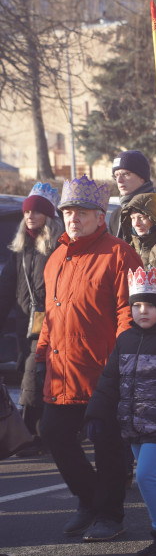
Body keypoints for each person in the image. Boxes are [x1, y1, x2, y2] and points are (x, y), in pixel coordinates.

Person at [38, 176, 145, 541]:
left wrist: (122, 362)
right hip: (61, 370)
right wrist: (40, 355)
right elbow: (50, 314)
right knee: (53, 433)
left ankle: (110, 515)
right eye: (68, 211)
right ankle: (88, 499)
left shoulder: (119, 253)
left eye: (82, 212)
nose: (73, 218)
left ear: (101, 217)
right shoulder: (56, 258)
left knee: (109, 446)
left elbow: (127, 313)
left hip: (104, 370)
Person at [84, 268, 156, 556]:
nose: (143, 311)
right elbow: (109, 380)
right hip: (132, 424)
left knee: (146, 476)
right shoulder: (126, 338)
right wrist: (96, 413)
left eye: (150, 305)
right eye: (137, 306)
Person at [0, 183, 62, 457]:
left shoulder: (58, 247)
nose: (29, 216)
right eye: (27, 212)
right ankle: (38, 434)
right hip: (27, 324)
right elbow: (6, 291)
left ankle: (31, 436)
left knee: (35, 376)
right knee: (34, 375)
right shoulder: (20, 249)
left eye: (36, 211)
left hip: (54, 323)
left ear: (48, 216)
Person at [109, 150, 155, 239]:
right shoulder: (116, 216)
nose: (119, 180)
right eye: (116, 175)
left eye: (125, 174)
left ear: (142, 177)